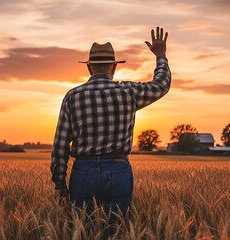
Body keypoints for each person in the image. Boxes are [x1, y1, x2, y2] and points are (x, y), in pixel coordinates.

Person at [50, 27, 171, 221]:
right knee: (116, 229)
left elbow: (60, 144)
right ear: (114, 67)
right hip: (118, 168)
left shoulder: (73, 96)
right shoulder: (128, 92)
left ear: (89, 67)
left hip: (83, 171)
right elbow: (161, 85)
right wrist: (161, 56)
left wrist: (59, 183)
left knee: (84, 230)